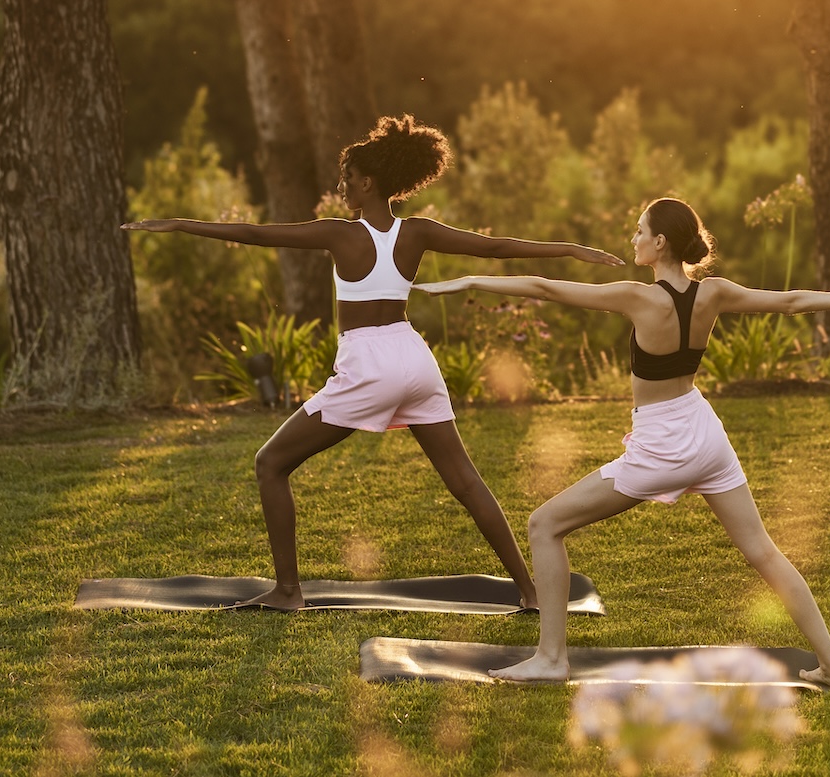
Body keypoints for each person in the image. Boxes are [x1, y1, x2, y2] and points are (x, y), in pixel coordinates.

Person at [123, 114, 623, 610]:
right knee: (466, 482)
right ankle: (531, 592)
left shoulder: (340, 235)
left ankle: (288, 592)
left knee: (270, 463)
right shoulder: (417, 232)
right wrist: (572, 250)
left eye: (347, 178)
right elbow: (494, 247)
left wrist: (178, 224)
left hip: (369, 365)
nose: (342, 186)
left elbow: (255, 233)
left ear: (367, 181)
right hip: (414, 358)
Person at [418, 196, 830, 688]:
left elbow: (546, 289)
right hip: (705, 434)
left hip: (661, 448)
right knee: (763, 551)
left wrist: (468, 280)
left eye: (638, 231)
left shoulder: (639, 297)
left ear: (660, 242)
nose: (632, 239)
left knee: (544, 524)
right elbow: (792, 301)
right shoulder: (713, 293)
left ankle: (551, 659)